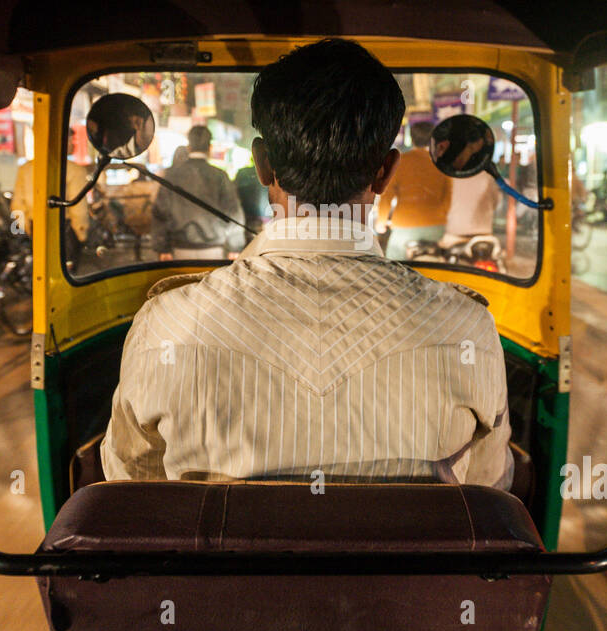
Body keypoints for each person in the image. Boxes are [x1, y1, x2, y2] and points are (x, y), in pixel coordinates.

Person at [102, 38, 513, 489]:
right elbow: (490, 491)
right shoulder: (468, 328)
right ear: (385, 172)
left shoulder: (165, 326)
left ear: (262, 166)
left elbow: (131, 487)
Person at [149, 125, 245, 261]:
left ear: (189, 147)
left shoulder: (172, 175)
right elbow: (233, 211)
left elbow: (160, 212)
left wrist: (162, 247)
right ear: (210, 148)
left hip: (180, 249)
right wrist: (236, 245)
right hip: (214, 250)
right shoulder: (220, 176)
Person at [376, 120, 452, 259]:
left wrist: (381, 222)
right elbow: (448, 196)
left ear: (411, 138)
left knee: (395, 267)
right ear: (433, 140)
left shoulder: (400, 161)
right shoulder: (441, 163)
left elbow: (387, 195)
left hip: (404, 227)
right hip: (435, 227)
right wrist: (441, 215)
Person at [439, 169, 501, 248]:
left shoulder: (450, 173)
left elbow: (442, 203)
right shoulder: (488, 175)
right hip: (484, 234)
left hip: (455, 233)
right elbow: (495, 201)